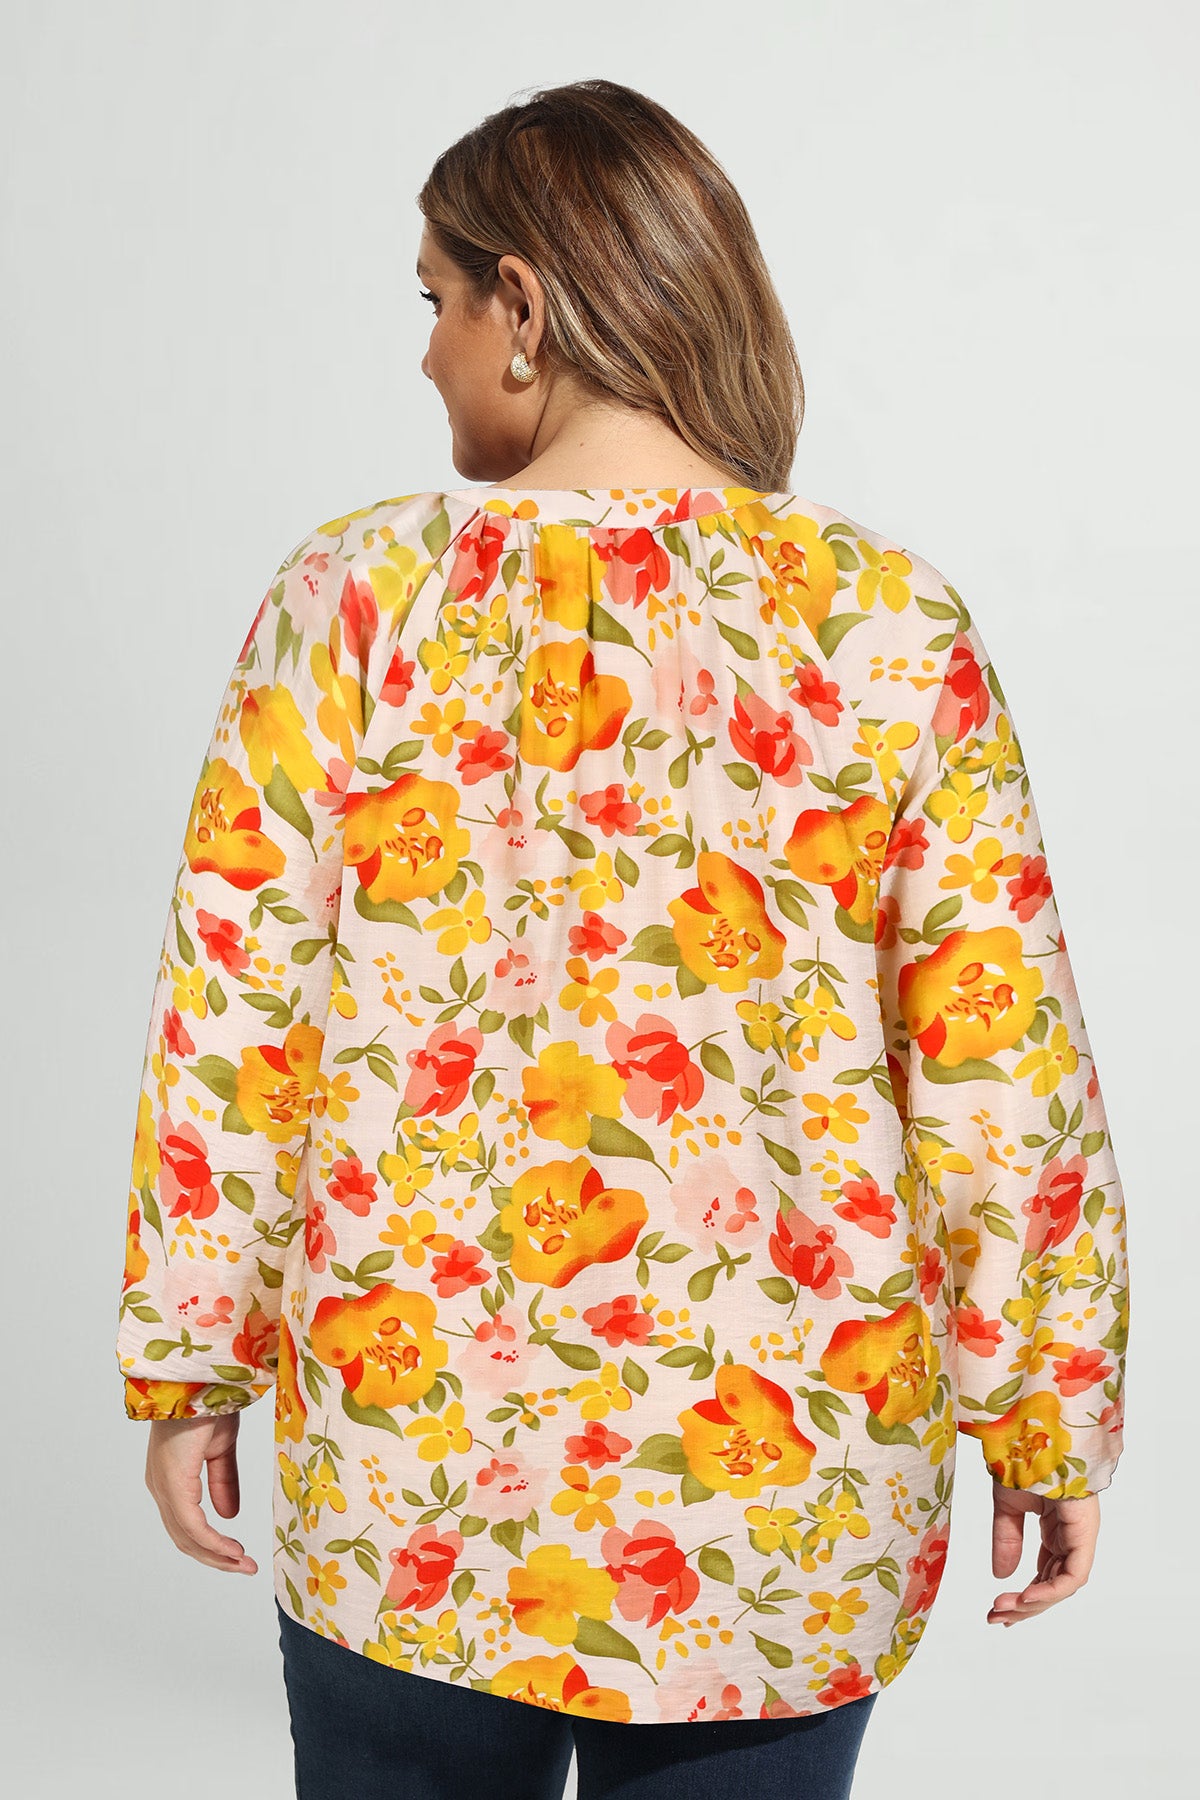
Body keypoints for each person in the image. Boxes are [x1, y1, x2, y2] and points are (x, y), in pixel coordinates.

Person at [116, 77, 1128, 1800]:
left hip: (416, 1482)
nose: (425, 351)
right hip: (780, 1501)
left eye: (437, 300)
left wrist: (190, 1362)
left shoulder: (352, 600)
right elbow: (996, 1062)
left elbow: (235, 1017)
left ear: (524, 304)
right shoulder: (887, 623)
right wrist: (1042, 1407)